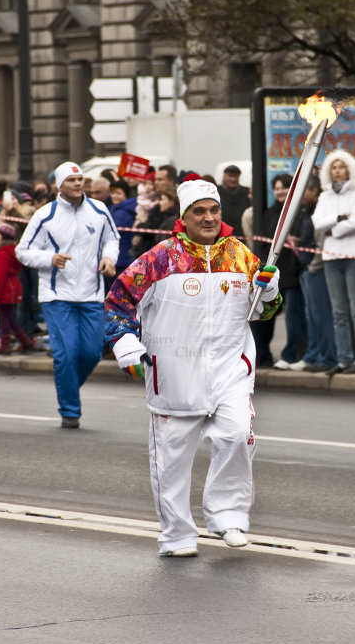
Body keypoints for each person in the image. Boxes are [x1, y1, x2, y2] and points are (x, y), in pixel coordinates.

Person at [104, 179, 282, 557]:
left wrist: (267, 291)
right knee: (170, 463)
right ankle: (177, 536)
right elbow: (118, 302)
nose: (208, 217)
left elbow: (264, 312)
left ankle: (227, 516)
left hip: (231, 371)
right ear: (183, 217)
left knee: (236, 436)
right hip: (173, 375)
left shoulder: (240, 257)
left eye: (214, 210)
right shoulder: (160, 259)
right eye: (199, 211)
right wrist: (127, 345)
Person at [16, 161, 119, 429]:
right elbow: (23, 250)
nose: (77, 183)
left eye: (80, 179)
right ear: (59, 185)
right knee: (66, 354)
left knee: (92, 353)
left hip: (92, 293)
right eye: (71, 180)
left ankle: (68, 387)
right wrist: (50, 258)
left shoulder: (99, 209)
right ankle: (70, 410)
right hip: (57, 294)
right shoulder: (45, 215)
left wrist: (108, 257)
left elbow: (112, 239)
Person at [312, 150, 355, 376]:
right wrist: (339, 219)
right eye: (333, 167)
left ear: (349, 169)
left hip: (354, 256)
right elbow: (317, 223)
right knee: (338, 311)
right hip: (331, 256)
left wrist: (332, 230)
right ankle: (344, 359)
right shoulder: (324, 196)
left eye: (341, 166)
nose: (338, 171)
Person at [256, 174, 307, 370]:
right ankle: (262, 355)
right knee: (263, 316)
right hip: (272, 274)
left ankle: (292, 355)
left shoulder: (297, 211)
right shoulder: (269, 213)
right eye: (276, 188)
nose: (280, 191)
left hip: (292, 273)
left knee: (294, 319)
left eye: (284, 188)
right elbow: (262, 242)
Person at [290, 177, 337, 372]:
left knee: (321, 316)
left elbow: (321, 242)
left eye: (304, 190)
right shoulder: (306, 210)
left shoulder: (318, 210)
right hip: (307, 269)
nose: (300, 195)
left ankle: (327, 358)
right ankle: (314, 354)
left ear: (314, 191)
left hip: (316, 269)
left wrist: (313, 266)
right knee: (312, 316)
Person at [0, 223, 33, 355]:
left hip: (5, 289)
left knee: (5, 318)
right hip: (13, 287)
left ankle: (5, 344)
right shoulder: (11, 251)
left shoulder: (2, 253)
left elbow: (0, 276)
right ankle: (24, 340)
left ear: (3, 237)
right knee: (9, 316)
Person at [108, 179, 138, 281]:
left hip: (120, 259)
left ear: (126, 194)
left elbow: (110, 233)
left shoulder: (122, 213)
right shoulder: (115, 208)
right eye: (112, 193)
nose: (114, 196)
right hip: (122, 258)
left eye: (118, 193)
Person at [217, 165, 250, 235]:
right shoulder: (216, 192)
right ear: (224, 176)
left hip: (241, 236)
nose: (233, 179)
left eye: (236, 176)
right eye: (230, 176)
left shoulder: (246, 192)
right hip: (222, 236)